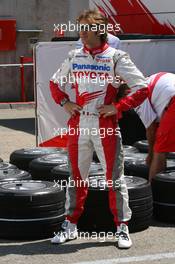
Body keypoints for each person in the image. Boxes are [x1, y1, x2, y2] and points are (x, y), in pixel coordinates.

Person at [49, 9, 148, 249]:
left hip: (106, 126)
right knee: (75, 178)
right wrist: (66, 102)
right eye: (80, 28)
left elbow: (142, 87)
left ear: (100, 30)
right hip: (79, 125)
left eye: (86, 28)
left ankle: (122, 227)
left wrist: (118, 107)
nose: (82, 33)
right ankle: (70, 224)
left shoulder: (116, 57)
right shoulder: (74, 56)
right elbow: (54, 83)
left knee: (114, 179)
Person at [133, 72, 175, 181]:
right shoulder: (150, 79)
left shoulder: (135, 95)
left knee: (159, 151)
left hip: (173, 102)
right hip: (170, 101)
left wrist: (150, 154)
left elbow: (151, 128)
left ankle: (154, 192)